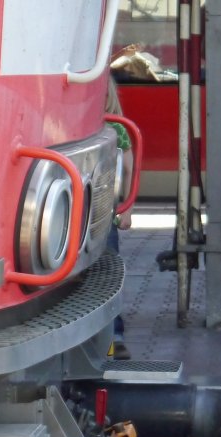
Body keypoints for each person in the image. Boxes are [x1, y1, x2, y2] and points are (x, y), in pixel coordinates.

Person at [105, 75, 134, 359]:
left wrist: (127, 208)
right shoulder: (118, 129)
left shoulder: (116, 130)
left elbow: (129, 169)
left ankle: (114, 331)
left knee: (109, 271)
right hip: (103, 212)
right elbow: (129, 169)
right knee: (109, 271)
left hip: (104, 213)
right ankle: (112, 332)